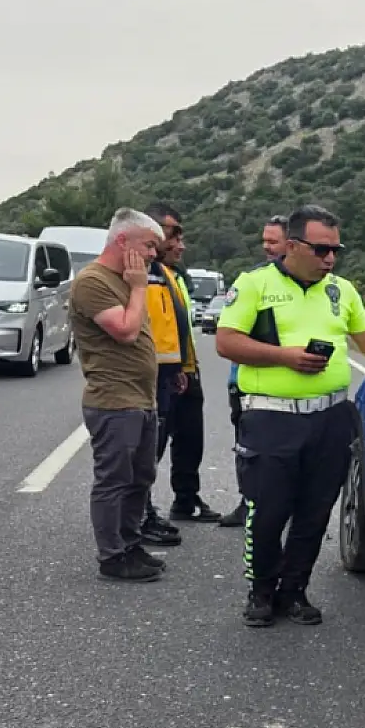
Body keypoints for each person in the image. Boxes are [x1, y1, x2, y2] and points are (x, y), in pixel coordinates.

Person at [215, 205, 365, 627]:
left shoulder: (341, 290)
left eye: (336, 250)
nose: (330, 258)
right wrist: (286, 358)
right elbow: (226, 342)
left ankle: (294, 590)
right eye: (321, 250)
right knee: (268, 513)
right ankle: (261, 591)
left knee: (314, 514)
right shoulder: (256, 285)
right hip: (272, 419)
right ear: (293, 246)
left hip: (330, 418)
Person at [68, 208, 168, 582]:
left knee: (141, 477)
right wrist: (139, 287)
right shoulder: (93, 282)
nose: (153, 254)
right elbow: (125, 331)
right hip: (114, 400)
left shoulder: (126, 278)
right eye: (148, 245)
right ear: (122, 241)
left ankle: (130, 543)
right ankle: (112, 556)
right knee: (113, 480)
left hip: (141, 398)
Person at [140, 204, 221, 541]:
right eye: (174, 234)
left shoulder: (175, 274)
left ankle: (185, 500)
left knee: (190, 439)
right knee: (149, 447)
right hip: (156, 374)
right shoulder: (145, 273)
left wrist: (187, 367)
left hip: (181, 369)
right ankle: (140, 513)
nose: (180, 243)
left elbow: (180, 326)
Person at [219, 215, 290, 528]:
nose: (266, 246)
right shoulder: (252, 281)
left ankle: (287, 505)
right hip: (247, 383)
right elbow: (230, 334)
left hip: (293, 388)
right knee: (248, 447)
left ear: (294, 243)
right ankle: (248, 502)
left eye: (273, 241)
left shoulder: (318, 287)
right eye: (265, 240)